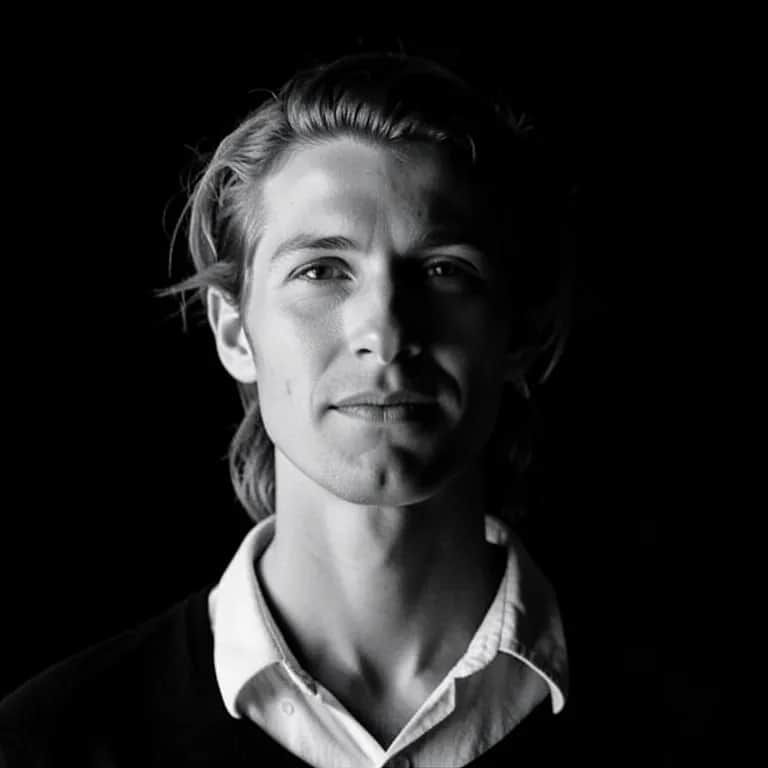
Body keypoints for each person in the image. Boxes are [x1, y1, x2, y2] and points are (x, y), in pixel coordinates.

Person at [0, 50, 574, 766]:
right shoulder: (44, 743)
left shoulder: (678, 709)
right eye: (321, 270)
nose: (385, 333)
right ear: (234, 332)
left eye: (442, 270)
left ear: (517, 333)